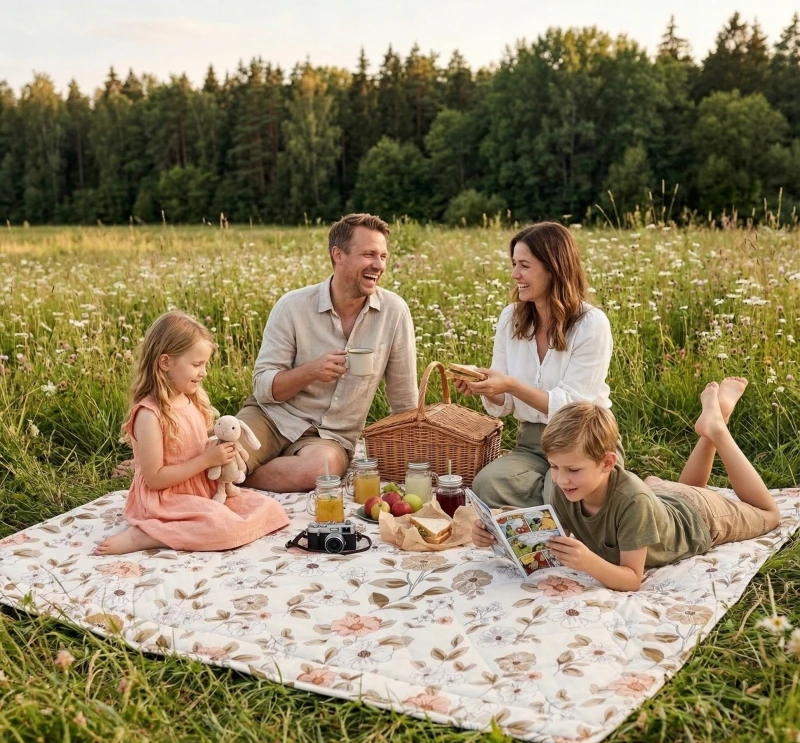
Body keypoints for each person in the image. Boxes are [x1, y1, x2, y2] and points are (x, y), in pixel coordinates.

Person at [471, 378, 781, 591]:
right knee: (683, 487)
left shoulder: (633, 502)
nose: (561, 478)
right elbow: (548, 539)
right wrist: (498, 532)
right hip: (662, 499)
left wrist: (589, 562)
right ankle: (709, 427)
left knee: (768, 514)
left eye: (573, 469)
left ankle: (718, 429)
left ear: (607, 463)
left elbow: (632, 579)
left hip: (698, 518)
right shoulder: (566, 486)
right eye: (554, 467)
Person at [237, 213, 418, 492]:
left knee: (319, 472)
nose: (379, 265)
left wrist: (414, 460)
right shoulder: (292, 306)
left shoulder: (394, 312)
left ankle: (239, 477)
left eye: (383, 256)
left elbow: (404, 401)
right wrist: (311, 372)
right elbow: (263, 388)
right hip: (272, 417)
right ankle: (238, 466)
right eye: (369, 254)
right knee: (223, 453)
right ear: (338, 255)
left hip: (332, 438)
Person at [95, 311, 289, 556]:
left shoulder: (190, 400)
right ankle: (148, 534)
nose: (204, 372)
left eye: (204, 364)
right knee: (224, 528)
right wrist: (206, 460)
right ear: (165, 363)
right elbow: (155, 479)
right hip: (165, 499)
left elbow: (191, 446)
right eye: (196, 365)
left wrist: (216, 451)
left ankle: (181, 527)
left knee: (270, 509)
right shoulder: (149, 414)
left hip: (202, 490)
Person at [454, 221, 615, 508]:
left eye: (525, 265)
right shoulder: (510, 318)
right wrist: (486, 387)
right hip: (531, 444)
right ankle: (570, 499)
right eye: (514, 264)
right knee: (486, 484)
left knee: (563, 496)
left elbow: (573, 407)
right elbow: (503, 403)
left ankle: (568, 496)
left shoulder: (591, 324)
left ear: (554, 268)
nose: (515, 274)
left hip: (583, 441)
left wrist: (513, 385)